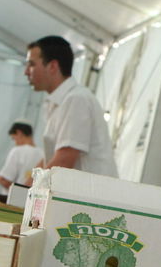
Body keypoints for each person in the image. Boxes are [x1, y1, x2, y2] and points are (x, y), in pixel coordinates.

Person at [23, 36, 117, 176]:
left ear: (53, 66)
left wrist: (30, 190)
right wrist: (28, 184)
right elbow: (52, 158)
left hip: (89, 196)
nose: (26, 71)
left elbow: (64, 161)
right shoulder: (57, 102)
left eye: (31, 64)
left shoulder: (76, 99)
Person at [0, 122, 42, 193]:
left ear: (19, 133)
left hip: (12, 199)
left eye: (14, 138)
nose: (15, 143)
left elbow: (5, 181)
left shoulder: (17, 151)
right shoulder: (43, 154)